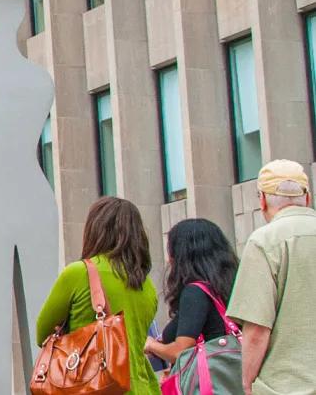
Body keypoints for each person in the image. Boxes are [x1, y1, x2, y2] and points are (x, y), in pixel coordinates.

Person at [36, 197, 160, 395]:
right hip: (143, 387)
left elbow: (42, 334)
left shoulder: (78, 273)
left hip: (94, 386)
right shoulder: (147, 285)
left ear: (94, 230)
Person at [226, 159, 315, 395]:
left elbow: (256, 331)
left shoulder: (263, 242)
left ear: (262, 201)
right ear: (308, 198)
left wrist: (247, 383)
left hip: (286, 386)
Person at [143, 218, 239, 365]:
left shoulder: (195, 292)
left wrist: (151, 345)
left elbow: (180, 352)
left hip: (210, 383)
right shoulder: (231, 286)